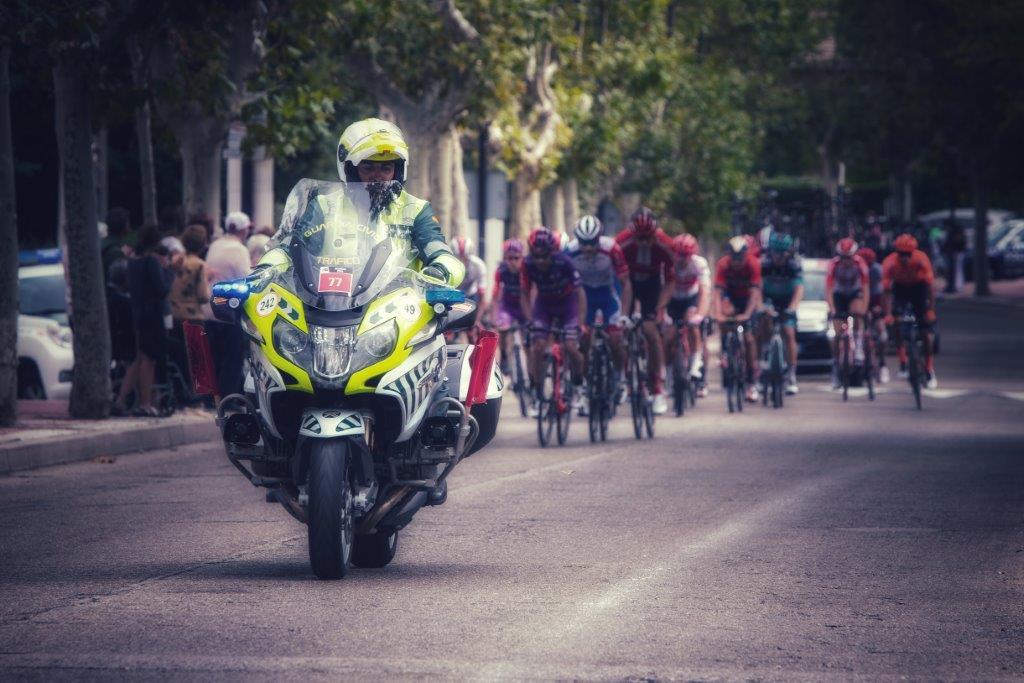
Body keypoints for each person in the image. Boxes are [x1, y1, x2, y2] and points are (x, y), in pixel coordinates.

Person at [253, 118, 464, 288]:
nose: (377, 176)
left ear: (398, 170)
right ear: (351, 170)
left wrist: (440, 270)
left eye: (385, 168)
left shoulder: (416, 210)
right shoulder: (325, 207)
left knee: (432, 341)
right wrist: (264, 270)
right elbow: (291, 247)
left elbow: (440, 252)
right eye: (368, 168)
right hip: (329, 307)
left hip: (399, 312)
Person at [614, 207, 676, 414]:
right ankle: (625, 379)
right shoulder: (621, 242)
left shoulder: (665, 244)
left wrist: (660, 308)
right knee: (620, 332)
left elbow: (670, 282)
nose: (642, 242)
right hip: (627, 284)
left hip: (652, 286)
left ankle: (657, 388)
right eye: (638, 237)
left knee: (650, 332)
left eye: (647, 237)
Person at [520, 227, 585, 410]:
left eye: (544, 256)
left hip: (567, 305)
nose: (540, 261)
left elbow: (580, 294)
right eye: (536, 256)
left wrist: (580, 322)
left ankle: (579, 385)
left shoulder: (564, 262)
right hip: (544, 306)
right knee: (537, 346)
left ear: (552, 252)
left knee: (571, 346)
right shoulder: (527, 264)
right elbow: (524, 294)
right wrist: (529, 320)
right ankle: (536, 389)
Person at [567, 215, 631, 397]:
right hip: (584, 296)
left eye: (592, 243)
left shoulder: (611, 248)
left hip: (608, 294)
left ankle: (620, 378)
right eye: (583, 243)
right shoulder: (570, 251)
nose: (587, 248)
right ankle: (587, 386)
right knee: (584, 340)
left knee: (615, 339)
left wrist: (625, 314)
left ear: (599, 239)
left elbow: (626, 283)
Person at [116, 225, 173, 417]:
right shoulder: (152, 261)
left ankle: (120, 400)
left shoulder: (132, 261)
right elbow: (162, 290)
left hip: (137, 313)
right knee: (149, 360)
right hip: (152, 315)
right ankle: (145, 403)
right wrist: (168, 270)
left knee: (139, 358)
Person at [882, 233, 938, 388]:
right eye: (901, 254)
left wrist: (930, 310)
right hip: (900, 290)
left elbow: (930, 288)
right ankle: (903, 362)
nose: (905, 258)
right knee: (897, 323)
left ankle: (928, 369)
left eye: (908, 254)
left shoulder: (921, 259)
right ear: (896, 253)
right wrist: (887, 314)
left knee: (926, 333)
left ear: (913, 252)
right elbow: (886, 292)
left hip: (918, 289)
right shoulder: (890, 262)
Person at [712, 235, 762, 402]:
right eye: (734, 258)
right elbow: (718, 293)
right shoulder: (723, 265)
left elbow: (755, 293)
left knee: (748, 339)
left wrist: (747, 314)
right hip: (731, 297)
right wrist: (718, 313)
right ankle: (726, 352)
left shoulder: (753, 264)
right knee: (725, 316)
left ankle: (751, 382)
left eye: (740, 258)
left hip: (748, 300)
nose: (737, 262)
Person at [665, 233, 711, 397]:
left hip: (691, 299)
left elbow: (705, 293)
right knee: (668, 337)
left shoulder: (699, 264)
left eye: (685, 255)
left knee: (693, 325)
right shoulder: (667, 263)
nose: (681, 259)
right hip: (672, 299)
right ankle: (669, 376)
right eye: (678, 254)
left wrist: (700, 314)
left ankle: (695, 365)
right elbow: (660, 290)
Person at [759, 232, 803, 395]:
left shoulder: (794, 264)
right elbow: (757, 288)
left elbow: (799, 289)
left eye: (783, 253)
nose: (779, 256)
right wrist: (762, 306)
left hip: (787, 302)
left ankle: (791, 375)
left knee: (789, 333)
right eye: (776, 252)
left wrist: (792, 307)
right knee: (763, 325)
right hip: (769, 300)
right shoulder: (764, 264)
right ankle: (763, 360)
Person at [824, 237, 869, 388]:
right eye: (843, 257)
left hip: (854, 293)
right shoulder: (833, 265)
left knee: (857, 312)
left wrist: (864, 309)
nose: (846, 261)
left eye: (848, 257)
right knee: (837, 333)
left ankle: (858, 347)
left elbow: (865, 288)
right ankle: (836, 365)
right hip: (839, 295)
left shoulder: (860, 264)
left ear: (854, 255)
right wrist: (832, 309)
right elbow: (829, 290)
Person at [489, 238, 528, 373]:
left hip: (524, 306)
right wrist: (494, 319)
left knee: (527, 338)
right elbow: (495, 295)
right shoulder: (501, 270)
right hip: (508, 306)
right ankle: (505, 356)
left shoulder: (527, 269)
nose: (513, 262)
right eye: (509, 258)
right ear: (505, 258)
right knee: (502, 330)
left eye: (516, 258)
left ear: (522, 257)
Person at [857, 246, 890, 384]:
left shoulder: (877, 271)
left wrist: (881, 309)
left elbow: (881, 292)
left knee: (882, 336)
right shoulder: (855, 268)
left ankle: (882, 365)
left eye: (868, 264)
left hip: (874, 302)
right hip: (859, 300)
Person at [453, 235, 488, 334]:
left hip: (472, 295)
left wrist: (477, 320)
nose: (462, 261)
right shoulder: (447, 265)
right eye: (458, 258)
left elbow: (482, 297)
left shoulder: (479, 265)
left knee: (473, 331)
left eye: (465, 258)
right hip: (454, 296)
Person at [943, 219, 967, 293]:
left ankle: (957, 286)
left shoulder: (954, 234)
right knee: (958, 270)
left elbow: (954, 243)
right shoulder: (957, 233)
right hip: (958, 253)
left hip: (957, 253)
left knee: (957, 270)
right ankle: (958, 286)